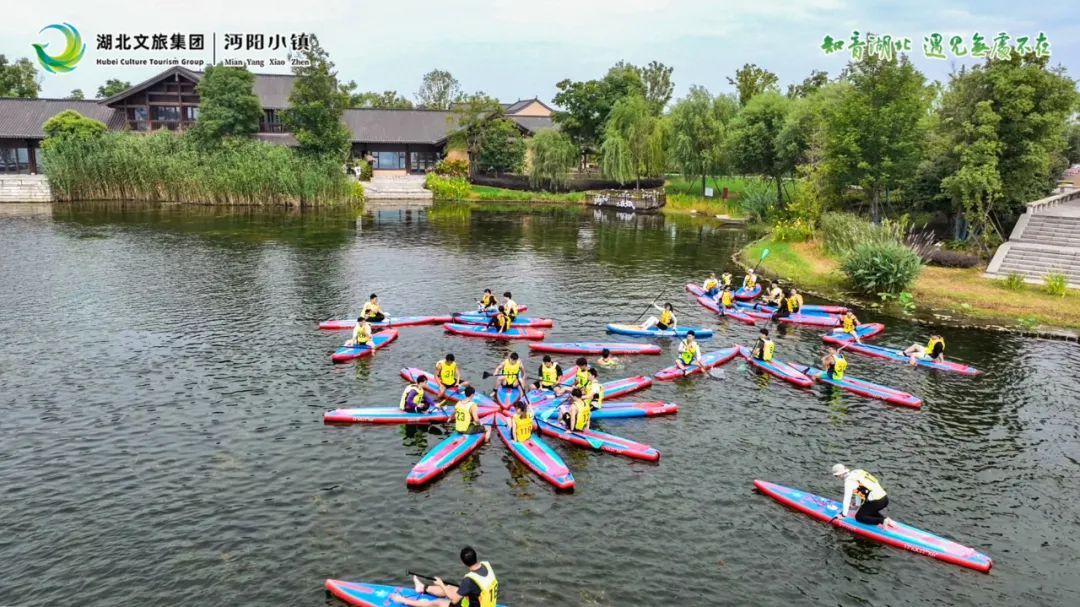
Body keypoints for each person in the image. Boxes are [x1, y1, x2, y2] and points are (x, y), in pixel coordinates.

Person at [391, 546, 498, 607]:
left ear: (463, 562)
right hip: (481, 602)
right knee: (450, 588)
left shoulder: (469, 580)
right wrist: (444, 587)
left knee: (437, 603)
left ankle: (403, 600)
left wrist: (441, 584)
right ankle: (422, 588)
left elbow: (454, 600)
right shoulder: (486, 565)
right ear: (476, 557)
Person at [832, 464, 895, 528]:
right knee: (867, 511)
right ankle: (887, 520)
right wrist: (857, 505)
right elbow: (859, 490)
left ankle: (882, 520)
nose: (837, 478)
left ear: (840, 474)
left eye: (836, 476)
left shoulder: (849, 481)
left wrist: (843, 515)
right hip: (884, 498)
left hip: (876, 501)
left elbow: (847, 499)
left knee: (859, 517)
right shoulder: (857, 471)